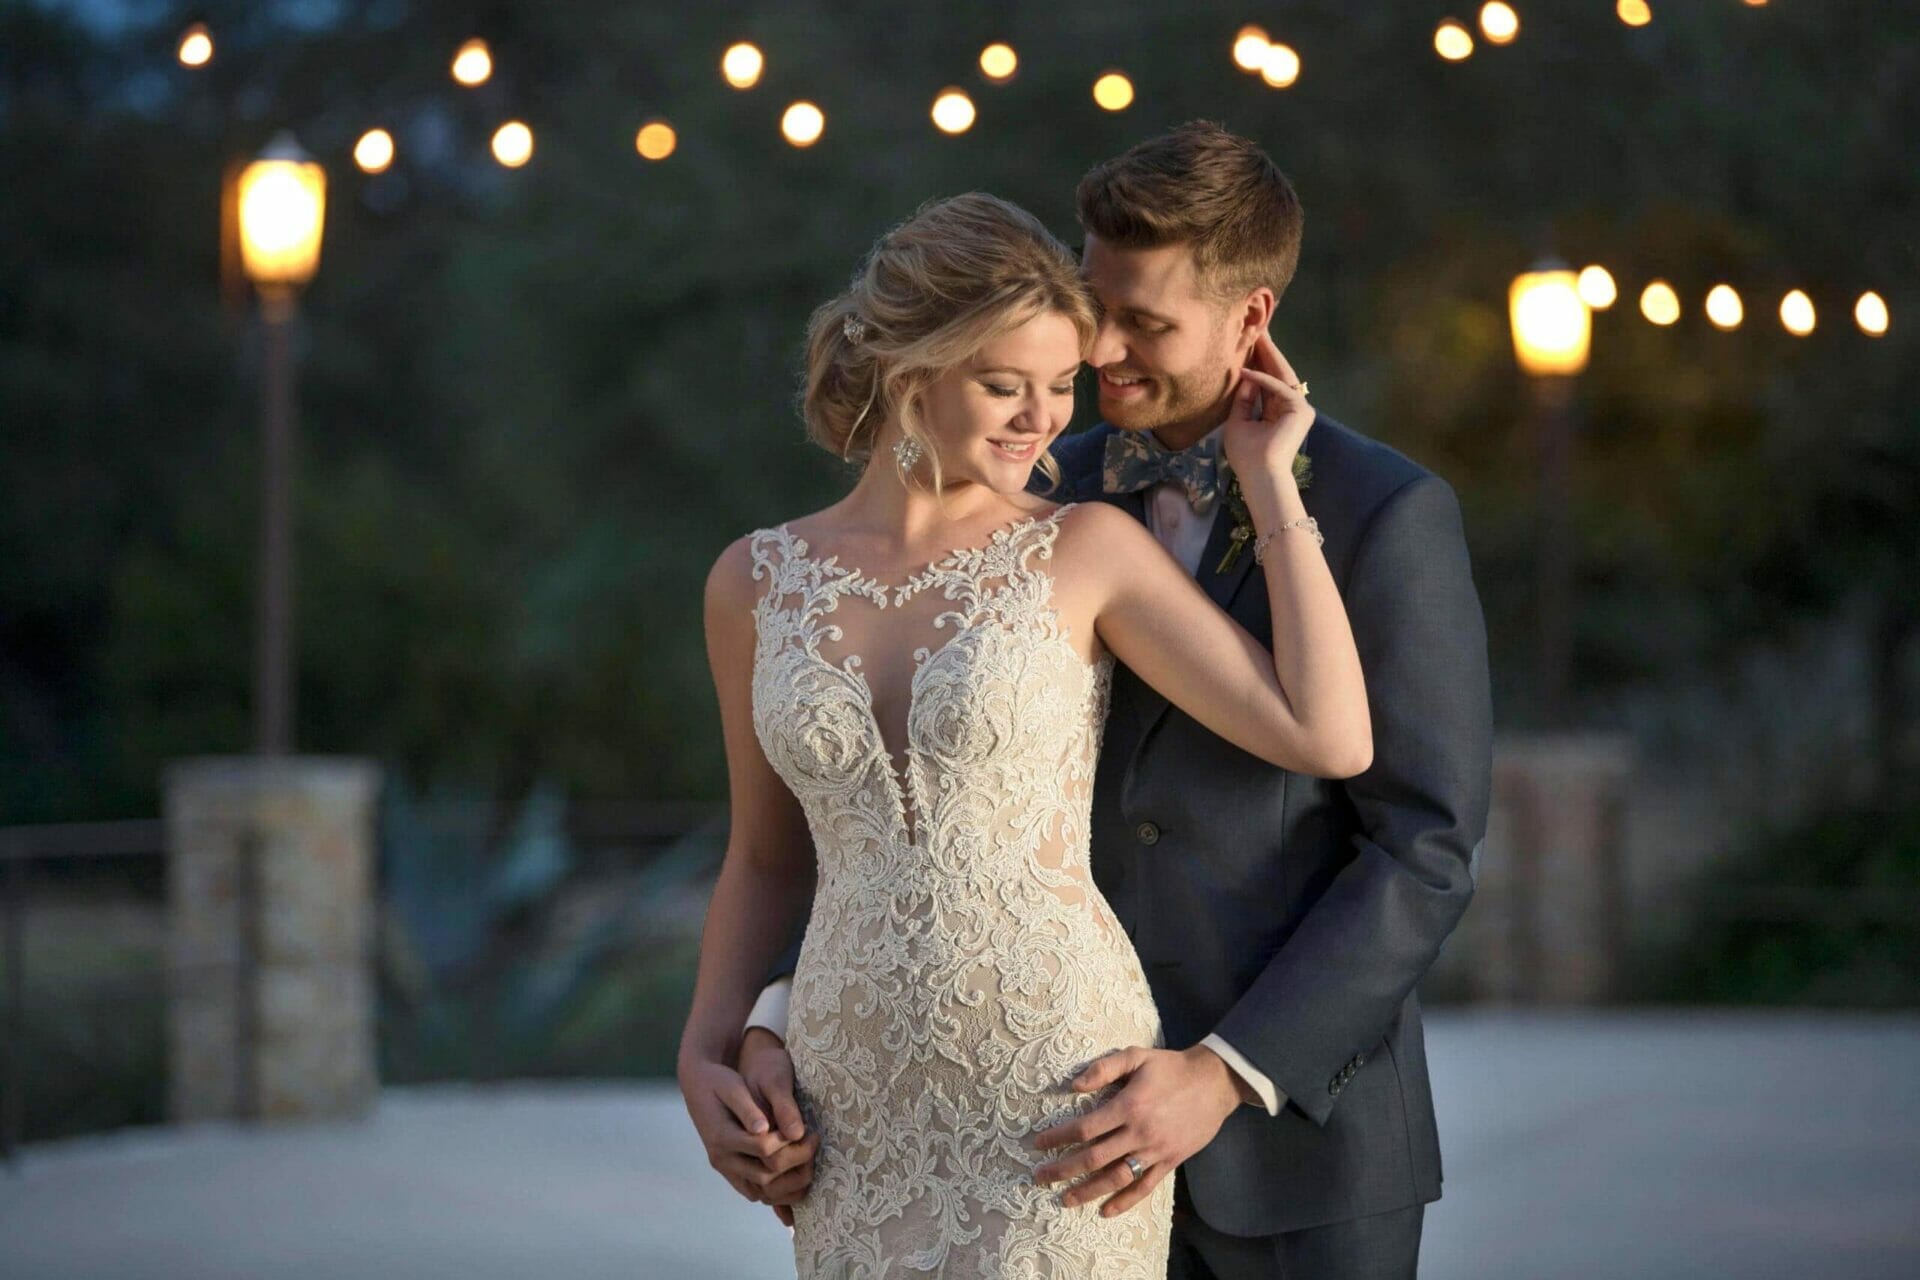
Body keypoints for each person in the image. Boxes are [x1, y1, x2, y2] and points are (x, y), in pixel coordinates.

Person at [718, 123, 1494, 1279]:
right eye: (1098, 310)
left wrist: (1225, 1069)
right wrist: (774, 1011)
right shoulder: (1041, 489)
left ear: (1252, 317)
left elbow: (1423, 846)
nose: (1106, 352)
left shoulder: (1388, 512)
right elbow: (886, 813)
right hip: (1035, 1105)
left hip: (1295, 1150)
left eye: (1148, 323)